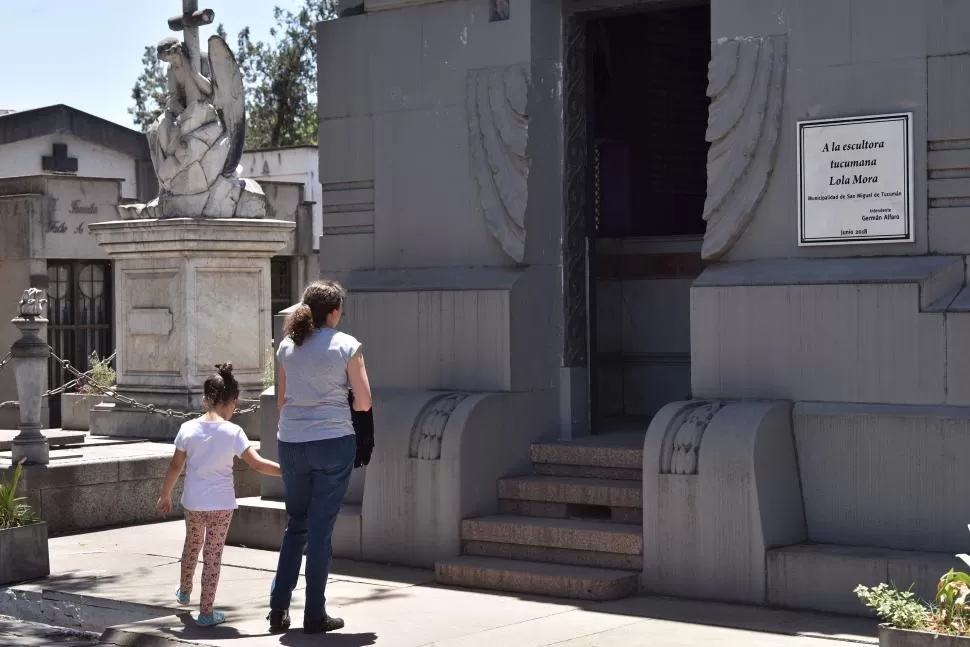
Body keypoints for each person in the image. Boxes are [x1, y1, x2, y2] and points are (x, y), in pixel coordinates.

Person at [268, 280, 373, 635]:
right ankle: (315, 614)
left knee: (296, 524)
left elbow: (281, 400)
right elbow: (364, 402)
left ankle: (278, 608)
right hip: (332, 442)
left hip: (291, 443)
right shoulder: (347, 345)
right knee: (321, 530)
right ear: (333, 312)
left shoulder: (287, 346)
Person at [156, 363, 282, 627]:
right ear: (233, 403)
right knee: (213, 557)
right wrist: (286, 472)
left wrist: (165, 495)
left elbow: (175, 466)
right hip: (222, 505)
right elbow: (257, 464)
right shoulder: (233, 432)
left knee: (192, 545)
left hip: (193, 503)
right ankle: (206, 612)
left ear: (205, 400)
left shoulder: (188, 429)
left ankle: (184, 590)